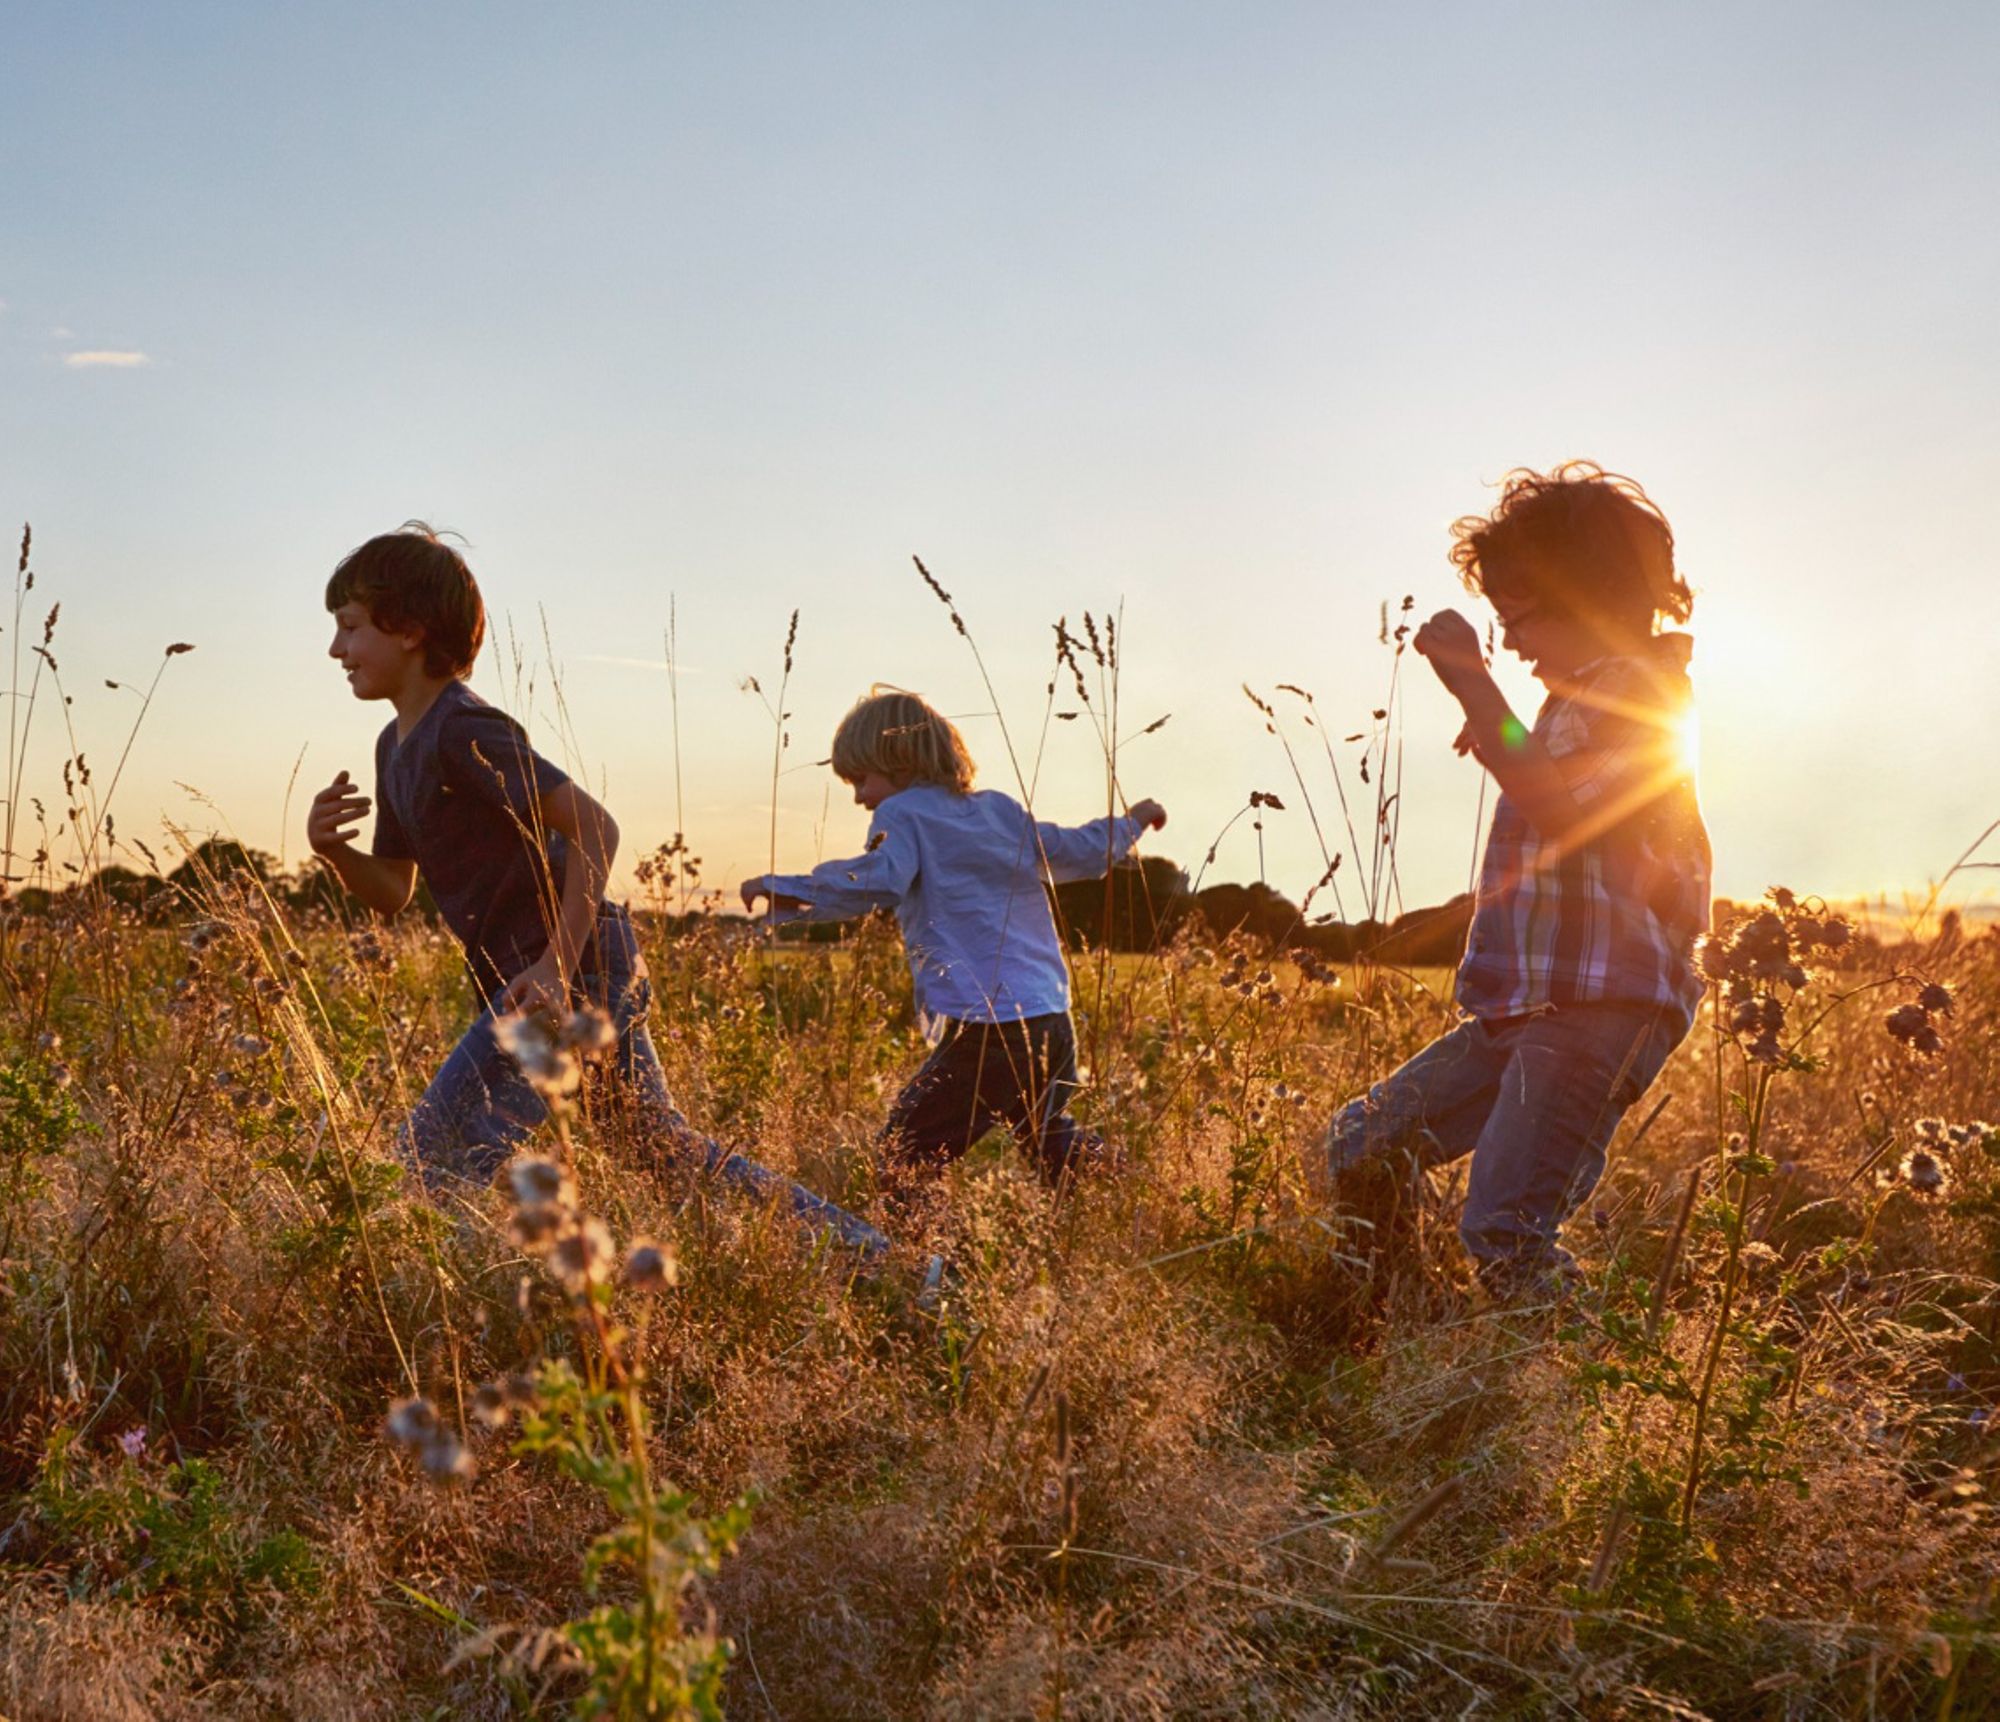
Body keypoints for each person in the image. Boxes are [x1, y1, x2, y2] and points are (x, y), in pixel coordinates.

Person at [308, 522, 885, 1255]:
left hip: (567, 970)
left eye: (350, 627)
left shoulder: (465, 730)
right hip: (547, 974)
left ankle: (432, 1336)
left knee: (431, 1163)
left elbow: (595, 827)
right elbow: (392, 890)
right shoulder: (396, 746)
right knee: (667, 1152)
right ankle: (880, 1262)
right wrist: (332, 851)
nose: (336, 650)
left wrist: (554, 964)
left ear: (412, 629)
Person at [1312, 463, 1711, 1294]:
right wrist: (1497, 723)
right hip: (1527, 1001)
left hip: (1600, 1004)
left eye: (1518, 616)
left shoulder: (1642, 690)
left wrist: (1472, 684)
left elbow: (1575, 820)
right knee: (1357, 1150)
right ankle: (1397, 1312)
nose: (1511, 641)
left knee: (1506, 1227)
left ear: (1588, 595)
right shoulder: (1576, 702)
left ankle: (1563, 1400)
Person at [740, 688, 1166, 1209]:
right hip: (1051, 1017)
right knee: (1050, 1139)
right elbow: (1079, 849)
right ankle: (1138, 1190)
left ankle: (925, 1267)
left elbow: (879, 880)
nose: (858, 797)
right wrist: (1133, 821)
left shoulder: (903, 815)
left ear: (897, 761)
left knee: (905, 1155)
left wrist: (791, 888)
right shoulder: (999, 812)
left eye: (860, 780)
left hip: (989, 1028)